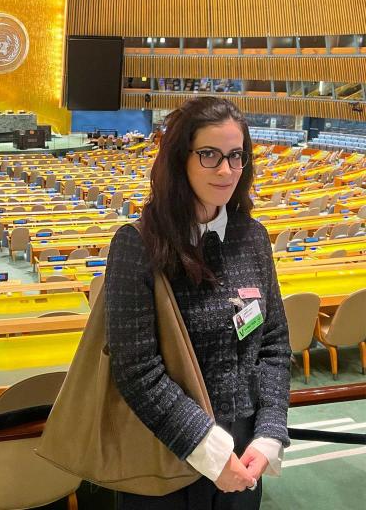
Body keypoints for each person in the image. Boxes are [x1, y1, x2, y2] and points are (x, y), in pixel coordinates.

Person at [105, 97, 291, 510]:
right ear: (179, 159)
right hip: (165, 459)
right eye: (209, 154)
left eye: (235, 156)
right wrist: (209, 450)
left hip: (245, 458)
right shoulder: (136, 245)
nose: (225, 170)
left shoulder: (253, 238)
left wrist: (270, 433)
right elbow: (136, 368)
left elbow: (274, 343)